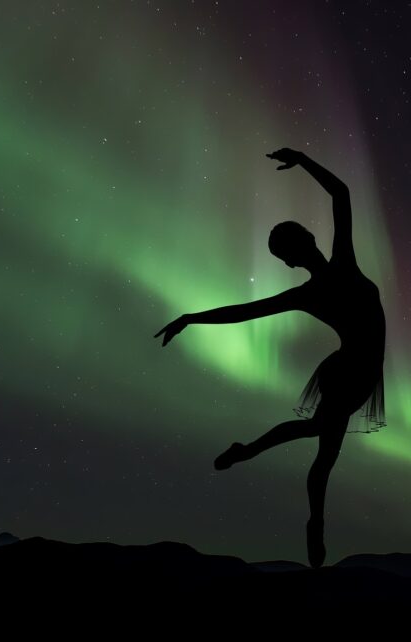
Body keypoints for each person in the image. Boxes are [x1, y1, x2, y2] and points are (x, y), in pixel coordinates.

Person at [153, 148, 386, 569]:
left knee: (322, 440)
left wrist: (302, 158)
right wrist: (191, 318)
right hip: (352, 369)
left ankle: (256, 458)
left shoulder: (328, 276)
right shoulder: (331, 275)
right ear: (300, 252)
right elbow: (245, 312)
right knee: (323, 445)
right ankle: (310, 517)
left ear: (294, 255)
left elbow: (341, 194)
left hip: (355, 368)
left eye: (286, 253)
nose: (290, 258)